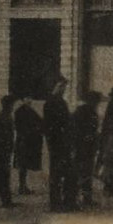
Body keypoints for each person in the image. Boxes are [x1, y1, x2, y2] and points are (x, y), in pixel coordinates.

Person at [43, 76, 71, 212]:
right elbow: (48, 126)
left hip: (62, 142)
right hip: (56, 142)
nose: (64, 89)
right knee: (56, 173)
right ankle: (55, 203)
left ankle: (61, 201)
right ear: (55, 86)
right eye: (62, 86)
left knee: (62, 172)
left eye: (64, 86)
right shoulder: (50, 103)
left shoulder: (61, 101)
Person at [71, 92, 101, 209]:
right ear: (91, 101)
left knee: (86, 173)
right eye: (96, 102)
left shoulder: (86, 111)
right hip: (83, 147)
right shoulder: (83, 111)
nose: (97, 104)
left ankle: (86, 198)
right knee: (82, 173)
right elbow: (76, 129)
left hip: (88, 147)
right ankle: (78, 198)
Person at [13, 95, 43, 195]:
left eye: (31, 98)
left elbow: (40, 121)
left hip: (29, 141)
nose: (30, 100)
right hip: (23, 141)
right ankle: (22, 187)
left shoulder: (30, 110)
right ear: (23, 99)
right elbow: (19, 126)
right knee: (22, 165)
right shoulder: (20, 111)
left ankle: (23, 186)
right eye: (27, 98)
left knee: (24, 165)